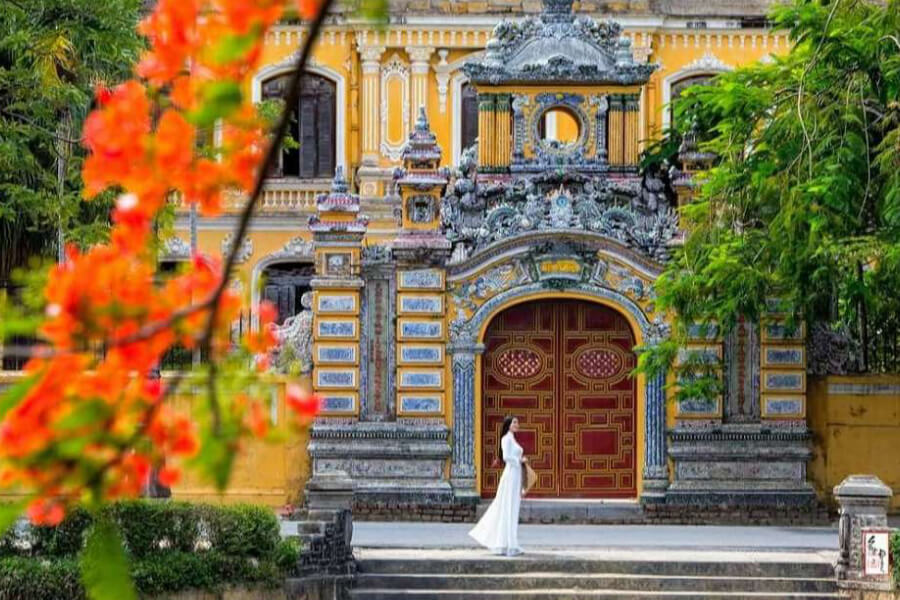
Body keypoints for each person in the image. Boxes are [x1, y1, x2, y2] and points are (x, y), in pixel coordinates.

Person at [469, 416, 527, 556]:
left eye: (517, 422)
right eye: (514, 422)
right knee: (507, 508)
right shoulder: (506, 439)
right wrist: (519, 460)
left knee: (512, 509)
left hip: (516, 475)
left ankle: (510, 543)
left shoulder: (512, 438)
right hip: (511, 475)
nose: (517, 424)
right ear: (508, 424)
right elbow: (506, 457)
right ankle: (507, 545)